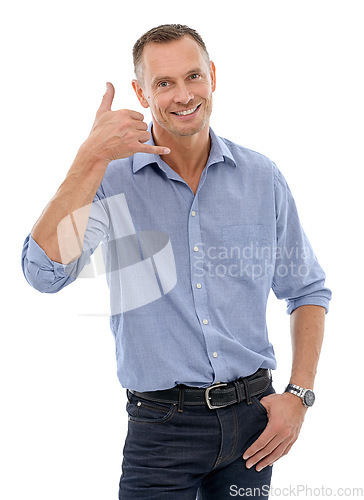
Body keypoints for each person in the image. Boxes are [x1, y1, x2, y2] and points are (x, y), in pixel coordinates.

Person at [21, 24, 332, 499]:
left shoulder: (261, 177)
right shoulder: (111, 181)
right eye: (163, 83)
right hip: (162, 431)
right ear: (140, 92)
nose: (182, 95)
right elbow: (44, 274)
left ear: (212, 76)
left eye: (192, 77)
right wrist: (89, 157)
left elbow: (306, 291)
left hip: (254, 426)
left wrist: (299, 396)